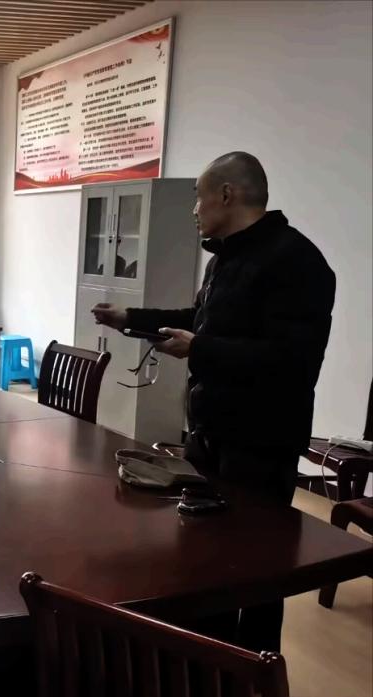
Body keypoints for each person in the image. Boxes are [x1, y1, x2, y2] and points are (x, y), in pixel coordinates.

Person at [91, 151, 336, 653]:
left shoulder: (297, 262)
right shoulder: (224, 257)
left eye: (198, 198)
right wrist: (132, 318)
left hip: (260, 441)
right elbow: (200, 319)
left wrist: (200, 349)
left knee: (258, 564)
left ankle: (254, 670)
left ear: (227, 194)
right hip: (209, 433)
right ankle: (206, 660)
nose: (194, 210)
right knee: (203, 553)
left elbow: (292, 360)